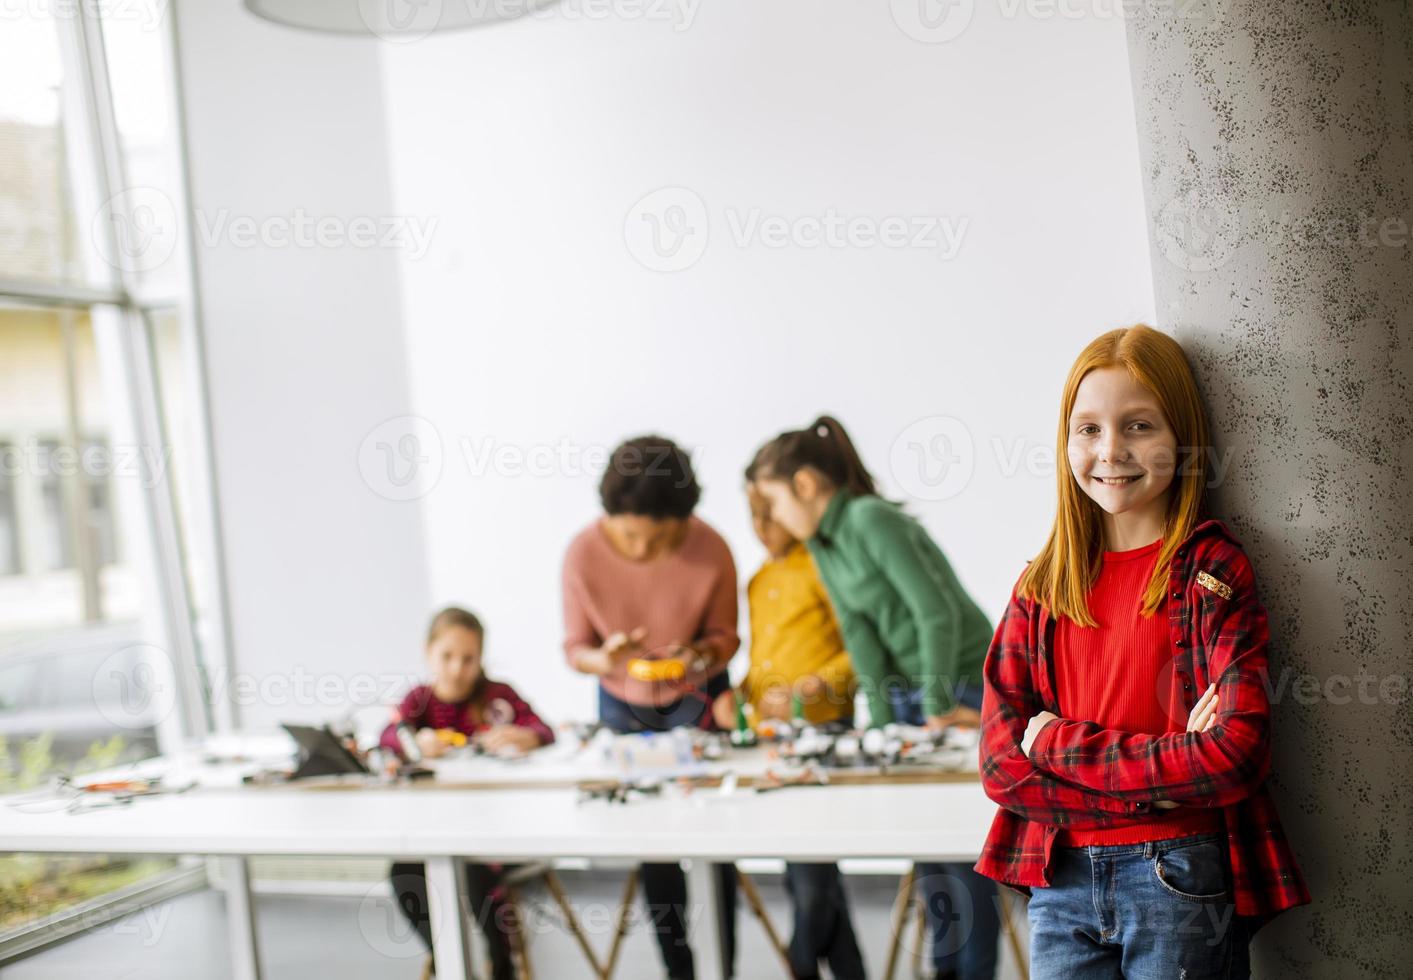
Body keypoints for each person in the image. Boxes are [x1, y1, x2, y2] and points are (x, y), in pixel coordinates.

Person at [974, 324, 1311, 979]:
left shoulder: (1212, 573)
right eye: (1089, 429)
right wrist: (1151, 790)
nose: (1109, 451)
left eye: (1138, 427)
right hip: (1060, 877)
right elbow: (999, 765)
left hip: (1178, 876)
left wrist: (1055, 746)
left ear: (1181, 437)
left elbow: (1233, 755)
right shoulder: (1041, 584)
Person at [749, 416, 1000, 980]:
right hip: (910, 694)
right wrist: (883, 724)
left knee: (961, 852)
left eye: (773, 500)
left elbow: (933, 613)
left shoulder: (870, 519)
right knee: (930, 847)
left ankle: (974, 972)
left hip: (955, 681)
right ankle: (946, 968)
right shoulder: (822, 545)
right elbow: (859, 636)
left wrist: (936, 705)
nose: (774, 517)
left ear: (806, 485)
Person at [562, 435, 740, 980]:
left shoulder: (711, 548)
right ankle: (678, 967)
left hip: (699, 694)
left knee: (720, 831)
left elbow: (726, 637)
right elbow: (575, 650)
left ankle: (722, 966)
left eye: (658, 537)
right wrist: (604, 657)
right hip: (622, 702)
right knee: (654, 840)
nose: (641, 549)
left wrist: (700, 654)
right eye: (631, 534)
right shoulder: (582, 554)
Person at [711, 480, 864, 980]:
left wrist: (816, 684)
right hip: (772, 740)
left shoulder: (825, 566)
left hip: (823, 732)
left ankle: (798, 963)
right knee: (807, 875)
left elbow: (860, 649)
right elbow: (762, 662)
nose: (761, 529)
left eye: (769, 516)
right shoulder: (755, 583)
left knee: (813, 874)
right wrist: (740, 694)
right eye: (754, 518)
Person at [382, 607, 555, 980]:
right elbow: (387, 736)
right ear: (429, 652)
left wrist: (526, 735)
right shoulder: (419, 702)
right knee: (403, 873)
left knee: (477, 871)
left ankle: (501, 964)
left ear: (480, 659)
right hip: (436, 828)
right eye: (447, 657)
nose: (457, 668)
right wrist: (414, 743)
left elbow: (544, 729)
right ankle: (449, 959)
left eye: (468, 659)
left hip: (497, 833)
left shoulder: (499, 697)